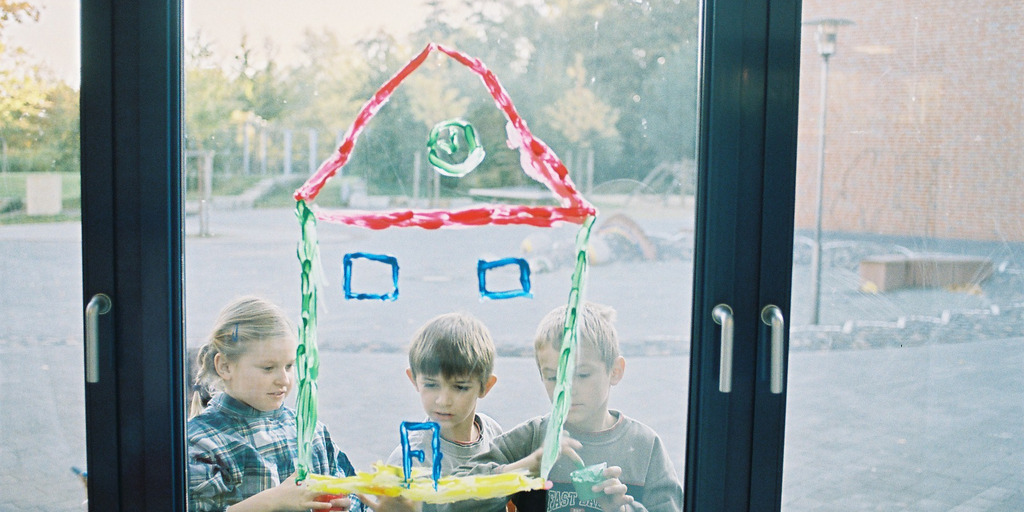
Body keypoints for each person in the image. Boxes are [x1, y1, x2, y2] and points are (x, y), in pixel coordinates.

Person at [457, 302, 684, 512]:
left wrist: (622, 510)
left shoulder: (644, 446)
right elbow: (453, 497)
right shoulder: (532, 439)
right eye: (553, 378)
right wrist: (527, 467)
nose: (567, 390)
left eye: (582, 375)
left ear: (615, 371)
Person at [187, 296, 358, 512]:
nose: (284, 380)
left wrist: (347, 505)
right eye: (268, 368)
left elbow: (356, 496)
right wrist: (271, 502)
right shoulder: (202, 444)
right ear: (225, 366)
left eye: (289, 366)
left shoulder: (310, 432)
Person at [378, 312, 500, 511]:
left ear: (485, 386)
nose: (443, 401)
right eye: (431, 385)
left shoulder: (493, 433)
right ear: (414, 379)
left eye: (459, 387)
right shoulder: (408, 463)